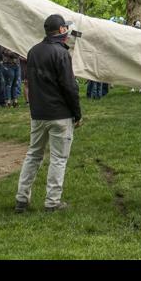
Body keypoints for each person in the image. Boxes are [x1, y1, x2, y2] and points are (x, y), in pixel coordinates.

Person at [12, 14, 82, 211]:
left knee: (33, 155)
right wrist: (77, 113)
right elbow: (69, 87)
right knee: (58, 158)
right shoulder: (61, 53)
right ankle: (52, 202)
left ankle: (21, 199)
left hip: (38, 112)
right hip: (59, 113)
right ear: (61, 30)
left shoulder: (33, 51)